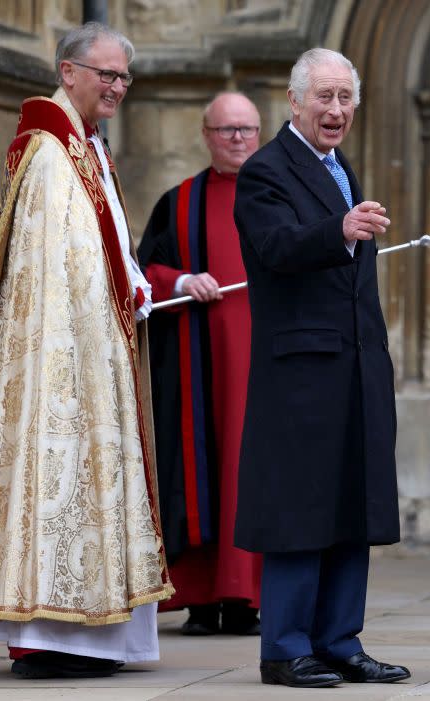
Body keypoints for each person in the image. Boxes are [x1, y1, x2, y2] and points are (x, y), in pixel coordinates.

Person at [0, 22, 173, 679]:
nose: (115, 87)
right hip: (64, 361)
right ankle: (54, 637)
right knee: (57, 482)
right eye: (104, 74)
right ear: (69, 70)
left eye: (123, 78)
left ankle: (94, 636)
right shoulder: (52, 153)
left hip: (98, 348)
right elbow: (60, 265)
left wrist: (135, 286)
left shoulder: (87, 145)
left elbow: (104, 244)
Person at [232, 47, 410, 689]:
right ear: (295, 100)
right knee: (300, 510)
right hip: (300, 374)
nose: (336, 111)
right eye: (325, 97)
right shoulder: (265, 171)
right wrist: (339, 228)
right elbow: (277, 247)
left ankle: (340, 640)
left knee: (351, 505)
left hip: (356, 366)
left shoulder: (341, 168)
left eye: (345, 99)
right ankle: (283, 647)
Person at [137, 92, 263, 637]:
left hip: (264, 366)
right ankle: (201, 600)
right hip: (195, 369)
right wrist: (183, 281)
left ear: (260, 134)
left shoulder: (281, 198)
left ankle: (249, 599)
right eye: (226, 130)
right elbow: (144, 271)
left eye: (247, 129)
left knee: (253, 474)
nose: (237, 139)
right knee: (199, 471)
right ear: (206, 135)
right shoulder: (179, 201)